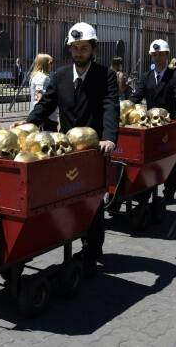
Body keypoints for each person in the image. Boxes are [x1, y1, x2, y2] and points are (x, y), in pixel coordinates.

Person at [22, 22, 119, 272]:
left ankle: (92, 248)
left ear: (93, 50)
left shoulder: (104, 75)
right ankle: (70, 240)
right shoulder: (60, 75)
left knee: (93, 201)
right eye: (74, 48)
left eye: (84, 48)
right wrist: (27, 124)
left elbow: (110, 106)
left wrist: (109, 137)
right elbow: (46, 105)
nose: (78, 52)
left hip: (94, 151)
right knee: (67, 197)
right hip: (64, 150)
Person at [129, 38, 176, 202]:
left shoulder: (175, 75)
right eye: (154, 55)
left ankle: (169, 192)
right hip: (151, 125)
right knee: (150, 159)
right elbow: (136, 97)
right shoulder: (146, 76)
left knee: (171, 159)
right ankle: (149, 188)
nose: (157, 58)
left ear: (167, 55)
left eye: (160, 54)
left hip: (169, 125)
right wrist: (123, 108)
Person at [29, 53, 58, 132]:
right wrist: (40, 117)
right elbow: (40, 96)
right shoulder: (42, 78)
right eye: (50, 63)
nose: (51, 65)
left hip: (39, 114)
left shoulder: (35, 76)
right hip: (46, 117)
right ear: (45, 64)